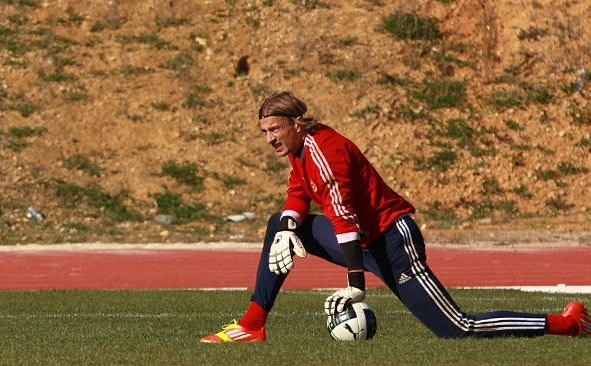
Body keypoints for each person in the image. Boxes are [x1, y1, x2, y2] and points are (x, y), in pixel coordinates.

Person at [201, 91, 590, 342]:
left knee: (457, 328)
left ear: (296, 123)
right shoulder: (300, 149)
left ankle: (568, 322)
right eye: (264, 131)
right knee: (278, 224)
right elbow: (300, 191)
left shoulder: (324, 152)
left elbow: (344, 220)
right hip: (365, 241)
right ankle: (252, 324)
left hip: (392, 242)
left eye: (274, 129)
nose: (269, 138)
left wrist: (355, 285)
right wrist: (289, 227)